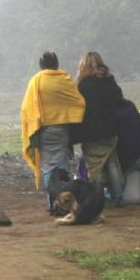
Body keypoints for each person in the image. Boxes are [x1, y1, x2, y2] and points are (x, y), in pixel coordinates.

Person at [20, 51, 85, 214]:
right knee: (61, 165)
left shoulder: (36, 81)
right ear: (57, 64)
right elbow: (79, 102)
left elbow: (27, 107)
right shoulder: (65, 79)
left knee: (48, 166)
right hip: (62, 129)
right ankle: (62, 201)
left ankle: (52, 203)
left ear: (41, 65)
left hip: (42, 129)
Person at [73, 52, 123, 201]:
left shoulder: (82, 86)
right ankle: (118, 196)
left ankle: (98, 197)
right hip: (110, 130)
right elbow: (119, 99)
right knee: (112, 162)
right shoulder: (110, 81)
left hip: (91, 133)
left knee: (95, 166)